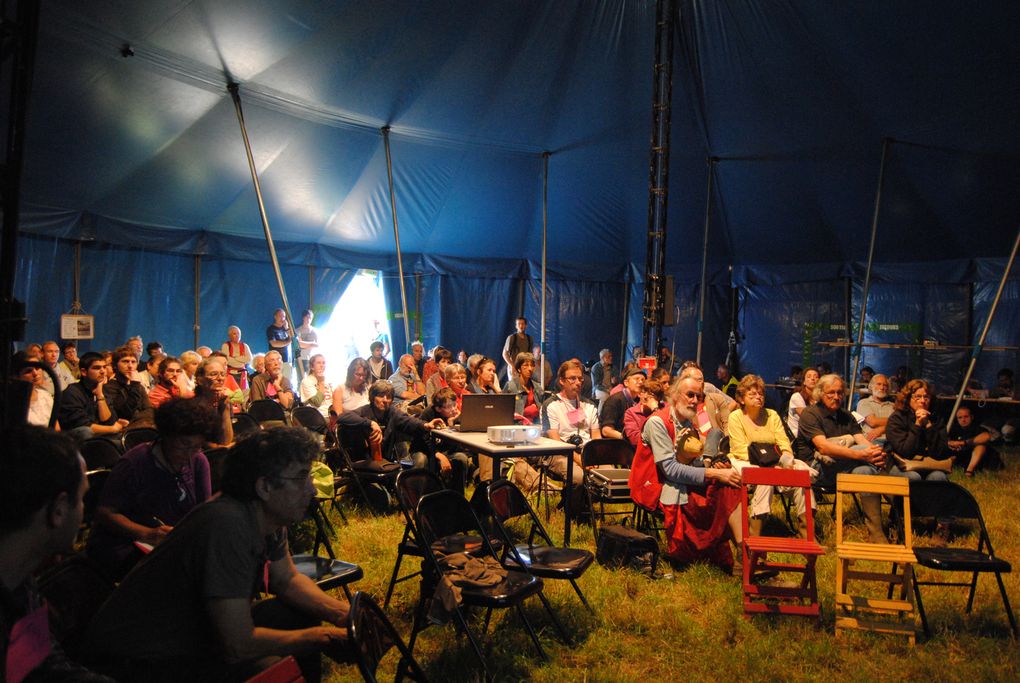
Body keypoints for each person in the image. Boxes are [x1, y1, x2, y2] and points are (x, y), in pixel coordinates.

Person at [84, 428, 354, 681]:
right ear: (265, 487)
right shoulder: (227, 525)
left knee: (296, 615)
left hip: (194, 632)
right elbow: (237, 645)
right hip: (139, 657)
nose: (313, 489)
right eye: (301, 477)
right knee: (270, 668)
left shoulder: (268, 515)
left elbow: (285, 580)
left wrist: (345, 614)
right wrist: (320, 637)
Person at [1, 426, 112, 682]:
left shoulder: (21, 584)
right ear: (59, 509)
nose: (85, 510)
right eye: (83, 498)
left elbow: (39, 663)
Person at [86, 398, 217, 581]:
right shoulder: (135, 462)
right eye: (184, 445)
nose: (190, 454)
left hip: (171, 544)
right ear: (166, 436)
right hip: (128, 545)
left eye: (197, 446)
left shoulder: (198, 461)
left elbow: (202, 510)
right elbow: (105, 512)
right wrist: (147, 533)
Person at [631, 375, 743, 571]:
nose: (694, 400)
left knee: (731, 485)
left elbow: (693, 461)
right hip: (656, 485)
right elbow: (670, 470)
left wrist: (711, 466)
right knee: (722, 486)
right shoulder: (658, 422)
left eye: (698, 397)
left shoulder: (688, 422)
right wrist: (712, 474)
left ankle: (745, 553)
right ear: (675, 396)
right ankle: (744, 555)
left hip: (680, 479)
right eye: (689, 395)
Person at [794, 374, 888, 543]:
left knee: (867, 469)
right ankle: (888, 474)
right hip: (817, 469)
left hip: (844, 466)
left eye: (840, 392)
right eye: (831, 393)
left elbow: (862, 441)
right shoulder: (810, 414)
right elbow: (823, 447)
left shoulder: (845, 415)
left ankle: (876, 532)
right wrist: (862, 454)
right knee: (869, 454)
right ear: (820, 393)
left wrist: (874, 453)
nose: (836, 397)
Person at [726, 375, 812, 538]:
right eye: (752, 395)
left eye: (761, 394)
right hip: (749, 464)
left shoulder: (772, 415)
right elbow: (740, 449)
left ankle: (807, 534)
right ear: (742, 399)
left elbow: (784, 443)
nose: (758, 397)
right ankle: (755, 535)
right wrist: (771, 462)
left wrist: (785, 458)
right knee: (764, 479)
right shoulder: (736, 417)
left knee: (801, 480)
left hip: (777, 463)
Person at [542, 359, 601, 494]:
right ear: (562, 381)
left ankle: (589, 507)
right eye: (572, 379)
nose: (578, 382)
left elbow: (597, 436)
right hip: (559, 453)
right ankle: (574, 513)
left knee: (608, 473)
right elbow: (555, 441)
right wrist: (580, 460)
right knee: (578, 477)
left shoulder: (590, 405)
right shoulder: (551, 405)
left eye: (580, 379)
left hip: (587, 452)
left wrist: (596, 457)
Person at [884, 379, 950, 483]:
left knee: (938, 477)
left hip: (929, 463)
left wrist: (928, 425)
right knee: (913, 478)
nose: (923, 401)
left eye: (926, 397)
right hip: (901, 464)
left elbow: (941, 453)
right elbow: (906, 452)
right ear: (908, 398)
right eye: (918, 397)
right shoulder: (897, 418)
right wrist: (918, 424)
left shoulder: (936, 418)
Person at [57, 352, 129, 442]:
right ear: (84, 372)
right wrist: (113, 429)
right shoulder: (71, 392)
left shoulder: (103, 391)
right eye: (97, 368)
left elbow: (108, 422)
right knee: (86, 431)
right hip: (74, 439)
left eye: (104, 367)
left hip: (99, 436)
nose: (103, 371)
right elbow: (82, 425)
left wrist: (100, 396)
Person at [414, 387, 472, 493]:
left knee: (461, 458)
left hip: (446, 451)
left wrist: (452, 425)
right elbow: (422, 440)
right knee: (421, 460)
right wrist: (439, 455)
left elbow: (458, 447)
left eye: (454, 405)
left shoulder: (456, 417)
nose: (454, 409)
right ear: (438, 409)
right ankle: (418, 496)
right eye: (449, 407)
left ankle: (457, 496)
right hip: (424, 449)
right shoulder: (428, 414)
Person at [102, 345, 153, 426]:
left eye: (133, 362)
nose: (130, 366)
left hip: (138, 426)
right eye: (125, 361)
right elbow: (125, 413)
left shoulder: (139, 386)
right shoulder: (108, 387)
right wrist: (135, 385)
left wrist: (135, 418)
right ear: (115, 365)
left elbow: (149, 410)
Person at [948, 406, 999, 475]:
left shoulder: (977, 428)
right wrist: (951, 444)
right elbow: (944, 439)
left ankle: (969, 472)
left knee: (981, 446)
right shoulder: (953, 429)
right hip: (960, 456)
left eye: (966, 417)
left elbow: (986, 436)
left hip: (977, 457)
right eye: (960, 417)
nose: (963, 420)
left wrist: (964, 443)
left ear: (972, 417)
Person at [11, 351, 56, 427]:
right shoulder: (11, 402)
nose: (35, 373)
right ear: (16, 376)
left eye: (38, 368)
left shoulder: (46, 396)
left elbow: (56, 428)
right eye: (28, 371)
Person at [599, 366, 644, 440]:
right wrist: (628, 438)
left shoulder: (640, 401)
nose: (641, 382)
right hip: (617, 444)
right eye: (637, 379)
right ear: (626, 383)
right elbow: (606, 431)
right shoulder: (615, 400)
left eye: (643, 380)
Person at [623, 378, 666, 448]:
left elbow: (669, 433)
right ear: (640, 394)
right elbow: (635, 440)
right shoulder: (631, 413)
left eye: (653, 395)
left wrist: (655, 409)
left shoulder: (665, 409)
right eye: (646, 393)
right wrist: (657, 437)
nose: (647, 397)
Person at [504, 352, 545, 424]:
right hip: (516, 426)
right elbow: (503, 411)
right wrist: (528, 410)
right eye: (526, 365)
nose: (530, 369)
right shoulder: (510, 386)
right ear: (519, 368)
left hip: (535, 425)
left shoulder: (538, 387)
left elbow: (542, 410)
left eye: (532, 365)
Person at [855, 374, 893, 443]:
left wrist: (882, 429)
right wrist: (892, 422)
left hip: (892, 440)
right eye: (878, 384)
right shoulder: (863, 403)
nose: (882, 387)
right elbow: (873, 422)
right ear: (871, 386)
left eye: (885, 385)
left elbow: (899, 424)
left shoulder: (893, 406)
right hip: (872, 441)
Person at [787, 368, 819, 438]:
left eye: (816, 377)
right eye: (809, 376)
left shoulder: (819, 399)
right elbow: (808, 419)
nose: (813, 379)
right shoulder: (796, 397)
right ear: (804, 381)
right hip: (798, 436)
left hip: (814, 433)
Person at [299, 354, 333, 418]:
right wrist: (321, 382)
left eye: (323, 363)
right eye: (318, 363)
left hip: (332, 414)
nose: (322, 365)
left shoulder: (328, 380)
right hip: (319, 416)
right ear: (312, 366)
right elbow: (317, 402)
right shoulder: (307, 381)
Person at [501, 317, 533, 382]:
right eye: (519, 324)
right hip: (514, 367)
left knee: (524, 387)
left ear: (526, 325)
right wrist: (512, 366)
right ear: (516, 326)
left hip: (524, 367)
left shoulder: (529, 339)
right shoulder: (512, 338)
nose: (521, 326)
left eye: (523, 324)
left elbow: (530, 355)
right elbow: (504, 354)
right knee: (514, 387)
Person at [222, 325, 253, 391]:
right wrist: (241, 361)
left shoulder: (245, 346)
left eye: (238, 333)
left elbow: (249, 359)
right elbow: (228, 361)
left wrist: (235, 358)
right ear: (229, 335)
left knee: (244, 392)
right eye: (234, 333)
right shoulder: (226, 345)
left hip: (242, 374)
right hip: (230, 373)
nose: (237, 335)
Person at [266, 308, 294, 379]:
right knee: (277, 380)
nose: (282, 318)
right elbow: (274, 344)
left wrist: (287, 327)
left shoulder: (285, 328)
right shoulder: (271, 329)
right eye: (280, 316)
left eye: (284, 316)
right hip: (275, 361)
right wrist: (287, 342)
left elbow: (292, 338)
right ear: (275, 317)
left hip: (285, 359)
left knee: (287, 379)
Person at [295, 309, 319, 376]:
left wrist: (303, 343)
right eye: (307, 317)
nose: (308, 319)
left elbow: (317, 345)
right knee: (300, 380)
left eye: (310, 318)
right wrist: (312, 344)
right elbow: (299, 344)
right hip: (299, 358)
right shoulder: (297, 330)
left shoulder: (314, 331)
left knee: (311, 378)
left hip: (310, 358)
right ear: (303, 317)